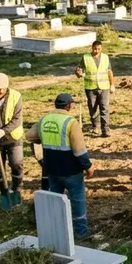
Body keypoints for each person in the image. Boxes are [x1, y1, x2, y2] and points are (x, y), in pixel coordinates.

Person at [25, 93, 94, 237]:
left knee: (55, 200)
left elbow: (29, 136)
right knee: (77, 200)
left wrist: (42, 138)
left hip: (51, 169)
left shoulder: (44, 119)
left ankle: (56, 229)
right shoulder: (71, 122)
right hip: (71, 171)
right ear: (69, 106)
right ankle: (80, 232)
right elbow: (79, 150)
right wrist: (88, 166)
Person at [75, 40, 114, 137]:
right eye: (95, 49)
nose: (96, 51)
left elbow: (109, 71)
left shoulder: (105, 57)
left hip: (104, 87)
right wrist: (78, 73)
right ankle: (95, 126)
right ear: (92, 48)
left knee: (104, 108)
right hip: (90, 88)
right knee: (92, 108)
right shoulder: (85, 58)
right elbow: (79, 71)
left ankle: (105, 129)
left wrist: (112, 84)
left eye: (99, 49)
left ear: (101, 48)